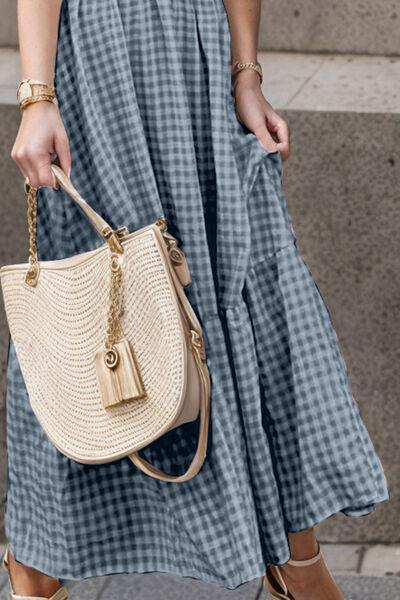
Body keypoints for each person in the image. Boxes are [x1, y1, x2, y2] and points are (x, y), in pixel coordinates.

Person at [3, 1, 389, 599]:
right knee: (99, 309)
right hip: (106, 57)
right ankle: (37, 564)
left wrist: (247, 74)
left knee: (244, 286)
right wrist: (37, 96)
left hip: (202, 52)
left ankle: (295, 553)